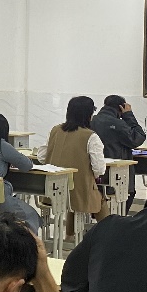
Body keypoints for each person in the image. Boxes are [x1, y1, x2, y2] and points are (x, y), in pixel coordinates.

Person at [39, 96, 107, 227]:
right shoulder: (91, 136)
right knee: (101, 199)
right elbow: (99, 169)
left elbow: (42, 157)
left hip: (52, 193)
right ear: (89, 115)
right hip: (79, 194)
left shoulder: (55, 130)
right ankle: (108, 233)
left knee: (71, 201)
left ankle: (70, 235)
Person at [90, 94, 147, 211]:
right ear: (121, 107)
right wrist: (128, 115)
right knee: (127, 196)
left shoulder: (91, 121)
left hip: (94, 175)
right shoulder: (119, 124)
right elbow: (138, 138)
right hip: (117, 174)